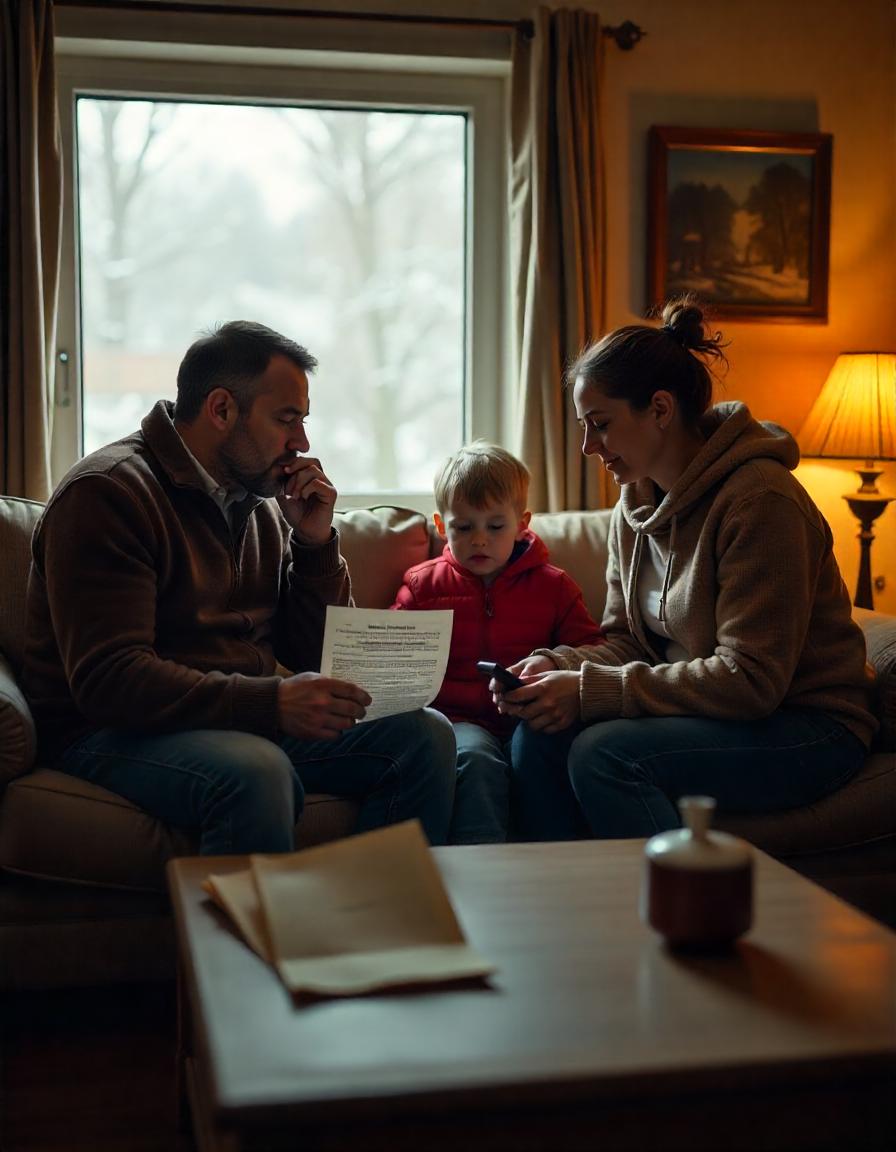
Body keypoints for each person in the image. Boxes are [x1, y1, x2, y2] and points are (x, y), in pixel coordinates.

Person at [23, 320, 457, 854]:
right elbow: (110, 680)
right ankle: (253, 937)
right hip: (108, 732)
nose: (301, 443)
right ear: (222, 409)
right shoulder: (108, 494)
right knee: (256, 772)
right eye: (286, 419)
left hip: (237, 715)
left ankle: (374, 926)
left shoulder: (258, 503)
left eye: (303, 421)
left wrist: (315, 542)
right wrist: (269, 702)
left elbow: (312, 654)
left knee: (424, 735)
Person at [497, 296, 876, 841]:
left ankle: (671, 918)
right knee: (537, 734)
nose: (587, 446)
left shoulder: (761, 503)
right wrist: (554, 666)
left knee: (604, 755)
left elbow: (751, 681)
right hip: (715, 712)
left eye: (599, 424)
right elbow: (627, 641)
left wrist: (588, 692)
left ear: (659, 408)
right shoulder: (633, 507)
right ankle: (563, 913)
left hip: (806, 725)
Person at [391, 442, 603, 843]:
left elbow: (590, 650)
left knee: (543, 750)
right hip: (457, 723)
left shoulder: (553, 586)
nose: (480, 541)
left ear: (523, 523)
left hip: (529, 719)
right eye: (464, 527)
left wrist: (555, 664)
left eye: (495, 526)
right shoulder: (422, 586)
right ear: (441, 525)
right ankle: (483, 868)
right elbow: (394, 653)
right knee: (475, 759)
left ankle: (549, 864)